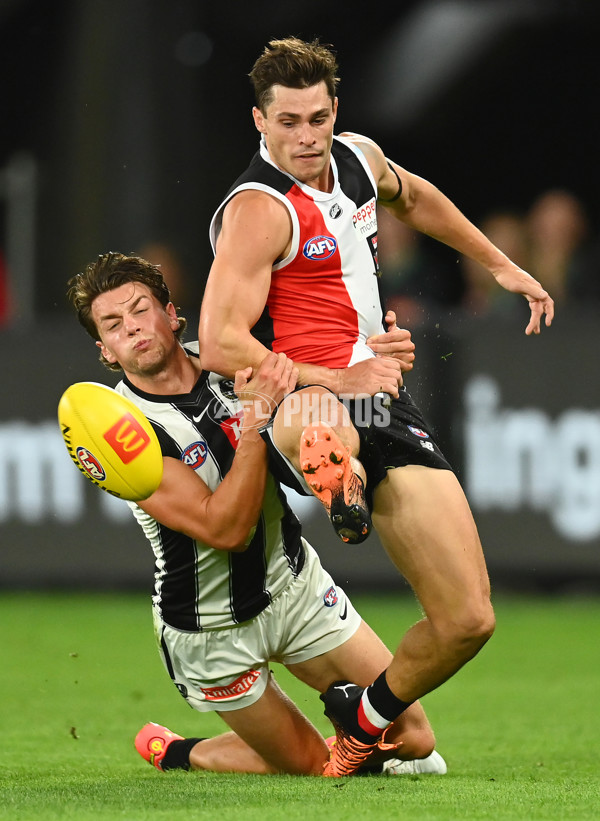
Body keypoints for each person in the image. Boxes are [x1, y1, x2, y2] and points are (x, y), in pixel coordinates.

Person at [198, 37, 555, 776]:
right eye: (288, 121)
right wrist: (341, 373)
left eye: (317, 118)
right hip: (289, 401)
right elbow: (220, 340)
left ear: (337, 113)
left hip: (378, 401)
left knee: (467, 619)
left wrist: (501, 265)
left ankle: (363, 718)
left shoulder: (357, 158)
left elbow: (414, 196)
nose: (305, 136)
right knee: (321, 421)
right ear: (258, 122)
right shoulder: (259, 212)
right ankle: (339, 483)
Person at [66, 251, 447, 777]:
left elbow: (326, 366)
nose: (133, 328)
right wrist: (254, 419)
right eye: (114, 324)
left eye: (140, 310)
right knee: (323, 766)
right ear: (105, 351)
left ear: (172, 314)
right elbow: (225, 529)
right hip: (211, 629)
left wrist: (376, 354)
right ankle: (182, 752)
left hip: (293, 586)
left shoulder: (233, 361)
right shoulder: (119, 431)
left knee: (416, 742)